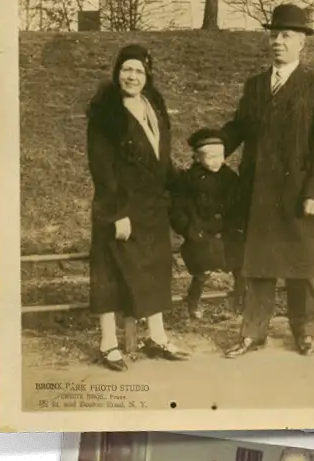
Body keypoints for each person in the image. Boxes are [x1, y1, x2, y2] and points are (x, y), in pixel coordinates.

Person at [220, 4, 314, 359]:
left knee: (299, 267)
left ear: (302, 43)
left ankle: (303, 332)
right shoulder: (255, 86)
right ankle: (252, 334)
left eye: (286, 36)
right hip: (257, 192)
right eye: (274, 35)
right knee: (257, 266)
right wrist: (213, 146)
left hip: (298, 194)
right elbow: (239, 127)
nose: (278, 42)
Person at [86, 43, 190, 371]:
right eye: (126, 70)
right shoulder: (106, 111)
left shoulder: (152, 104)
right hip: (119, 207)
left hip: (152, 206)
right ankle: (108, 344)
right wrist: (117, 213)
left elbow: (160, 158)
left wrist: (180, 187)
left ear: (148, 76)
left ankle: (156, 337)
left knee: (156, 269)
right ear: (117, 72)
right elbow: (101, 167)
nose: (132, 76)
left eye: (139, 71)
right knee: (111, 273)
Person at [169, 128, 246, 320]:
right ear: (197, 157)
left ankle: (240, 301)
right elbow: (177, 209)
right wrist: (188, 229)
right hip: (201, 232)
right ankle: (193, 302)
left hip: (228, 232)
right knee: (203, 269)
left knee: (241, 265)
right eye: (209, 157)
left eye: (219, 156)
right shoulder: (188, 180)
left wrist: (237, 226)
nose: (215, 161)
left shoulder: (230, 178)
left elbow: (239, 206)